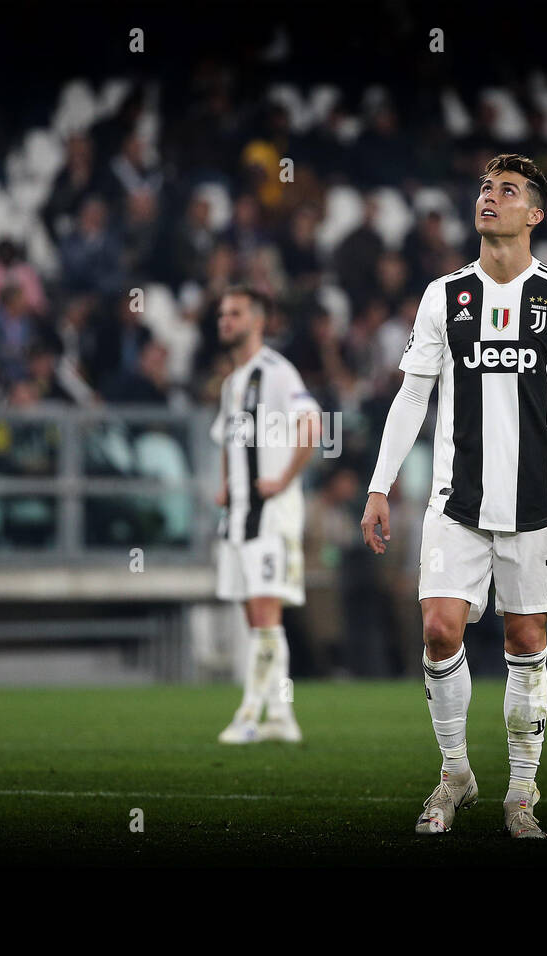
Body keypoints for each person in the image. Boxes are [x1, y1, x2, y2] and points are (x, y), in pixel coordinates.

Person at [360, 154, 547, 838]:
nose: (489, 198)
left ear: (535, 214)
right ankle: (455, 774)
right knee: (440, 629)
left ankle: (522, 791)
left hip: (539, 507)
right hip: (456, 504)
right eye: (484, 188)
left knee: (526, 637)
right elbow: (413, 393)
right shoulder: (445, 295)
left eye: (507, 191)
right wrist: (380, 485)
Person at [211, 286, 321, 744]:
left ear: (257, 320)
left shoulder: (275, 371)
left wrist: (283, 478)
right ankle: (281, 713)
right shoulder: (231, 383)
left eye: (234, 313)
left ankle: (250, 714)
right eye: (222, 314)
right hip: (237, 516)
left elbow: (311, 424)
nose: (225, 321)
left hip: (270, 515)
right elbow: (228, 441)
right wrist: (225, 484)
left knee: (265, 610)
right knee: (255, 618)